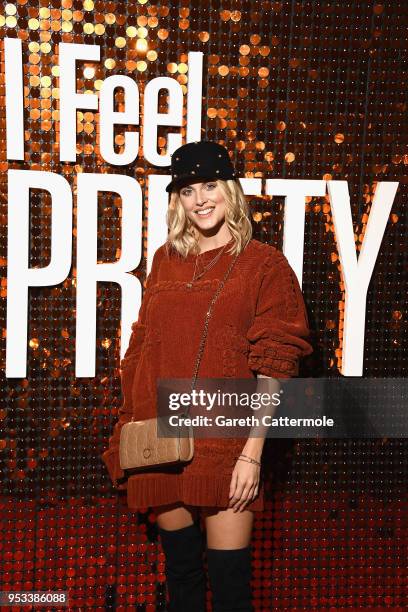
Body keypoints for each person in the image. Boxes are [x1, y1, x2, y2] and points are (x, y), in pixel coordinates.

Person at [102, 140, 313, 611]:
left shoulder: (264, 263)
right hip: (160, 437)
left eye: (210, 185)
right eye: (188, 190)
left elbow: (276, 363)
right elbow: (141, 348)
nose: (200, 199)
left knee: (231, 586)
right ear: (177, 200)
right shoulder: (164, 259)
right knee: (181, 579)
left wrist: (252, 455)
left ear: (229, 190)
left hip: (226, 443)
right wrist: (127, 427)